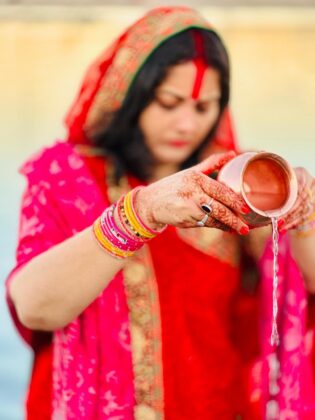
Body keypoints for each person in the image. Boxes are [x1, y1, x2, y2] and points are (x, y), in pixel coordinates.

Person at [5, 6, 315, 419]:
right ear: (129, 95)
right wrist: (141, 215)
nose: (186, 124)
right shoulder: (67, 177)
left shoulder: (234, 182)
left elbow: (300, 292)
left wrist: (303, 217)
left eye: (204, 108)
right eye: (168, 103)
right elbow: (34, 307)